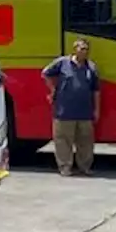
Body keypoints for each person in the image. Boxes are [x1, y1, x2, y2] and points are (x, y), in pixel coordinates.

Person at [42, 39, 100, 177]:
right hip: (64, 111)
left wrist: (97, 109)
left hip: (85, 112)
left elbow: (96, 90)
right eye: (82, 48)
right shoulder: (62, 62)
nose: (84, 51)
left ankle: (84, 167)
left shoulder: (91, 67)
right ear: (75, 49)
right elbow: (45, 73)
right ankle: (65, 167)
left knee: (86, 142)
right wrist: (52, 90)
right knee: (63, 141)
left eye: (86, 49)